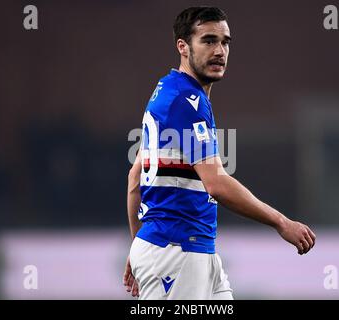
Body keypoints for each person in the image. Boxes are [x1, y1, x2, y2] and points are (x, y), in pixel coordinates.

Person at [123, 6, 316, 300]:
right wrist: (281, 222)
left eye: (225, 42)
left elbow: (134, 178)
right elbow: (216, 183)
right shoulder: (186, 102)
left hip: (186, 250)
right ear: (183, 47)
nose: (220, 50)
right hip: (177, 251)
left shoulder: (168, 90)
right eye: (209, 40)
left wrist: (141, 246)